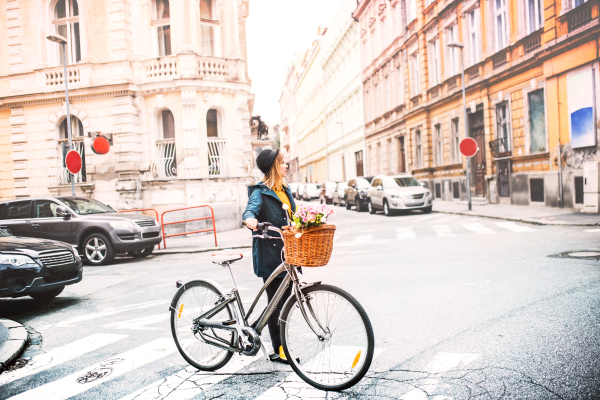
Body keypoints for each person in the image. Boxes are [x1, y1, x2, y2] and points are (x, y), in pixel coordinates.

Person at [243, 149, 296, 364]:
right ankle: (279, 349)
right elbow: (250, 210)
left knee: (284, 302)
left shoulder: (286, 189)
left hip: (288, 254)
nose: (286, 166)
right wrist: (250, 220)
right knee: (277, 304)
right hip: (270, 255)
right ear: (274, 166)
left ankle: (255, 327)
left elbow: (292, 214)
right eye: (282, 163)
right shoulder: (260, 192)